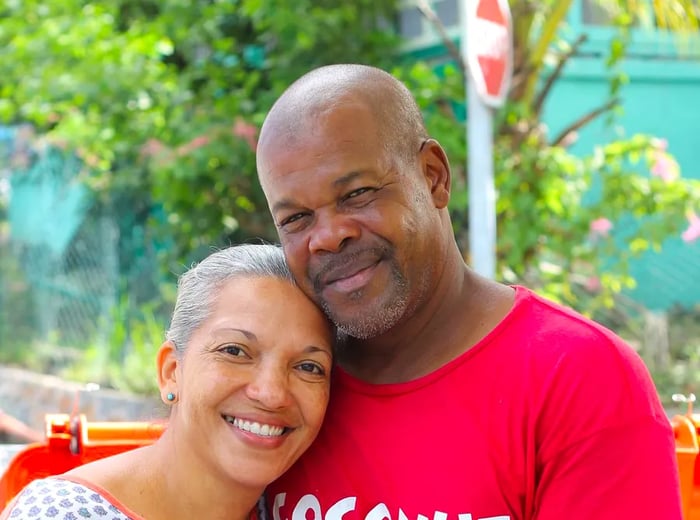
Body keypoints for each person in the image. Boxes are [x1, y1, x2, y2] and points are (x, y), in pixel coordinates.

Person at [255, 64, 682, 520]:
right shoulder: (274, 393)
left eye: (357, 193)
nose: (327, 236)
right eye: (296, 219)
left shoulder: (577, 380)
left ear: (433, 176)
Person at [0, 244, 334, 520]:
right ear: (171, 371)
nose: (272, 393)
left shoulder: (300, 507)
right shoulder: (63, 515)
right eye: (235, 350)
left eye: (309, 367)